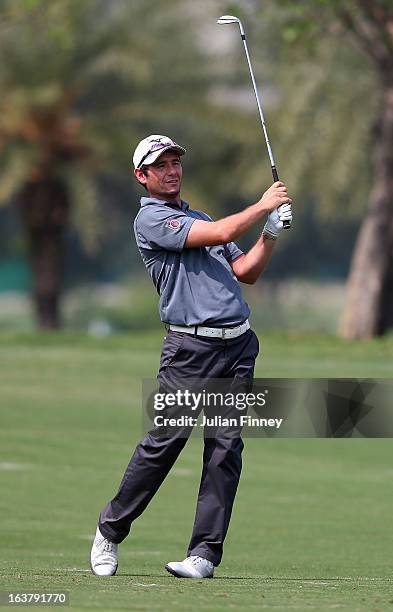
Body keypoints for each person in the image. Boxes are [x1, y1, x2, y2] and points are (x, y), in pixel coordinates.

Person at [90, 134, 292, 579]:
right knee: (164, 444)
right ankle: (110, 530)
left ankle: (203, 554)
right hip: (190, 350)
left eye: (175, 161)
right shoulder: (151, 221)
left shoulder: (199, 216)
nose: (172, 170)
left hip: (237, 347)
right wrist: (263, 204)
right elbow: (221, 232)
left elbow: (246, 272)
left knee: (224, 450)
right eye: (160, 165)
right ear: (142, 176)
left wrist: (270, 231)